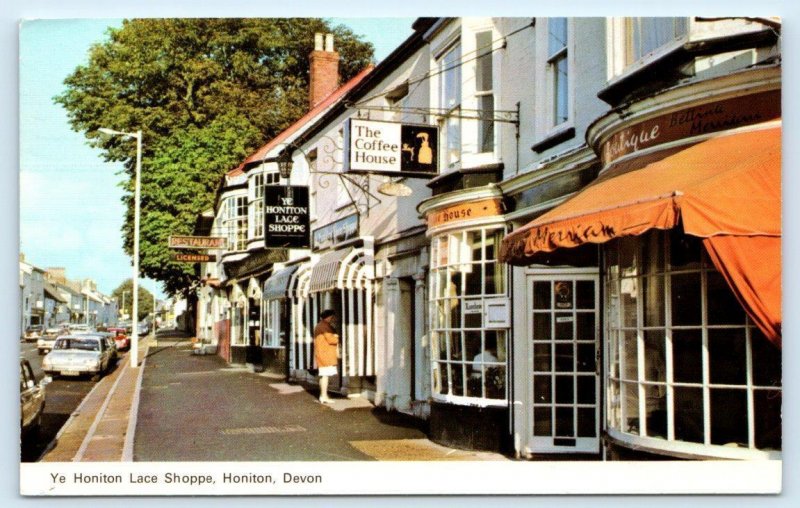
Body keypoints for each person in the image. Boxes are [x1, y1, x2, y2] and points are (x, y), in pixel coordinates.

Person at [313, 309, 339, 404]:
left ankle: (323, 395)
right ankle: (323, 396)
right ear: (328, 317)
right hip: (325, 354)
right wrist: (336, 336)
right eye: (332, 317)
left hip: (322, 353)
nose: (333, 319)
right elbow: (331, 339)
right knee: (325, 376)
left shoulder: (320, 325)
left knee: (323, 376)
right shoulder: (324, 326)